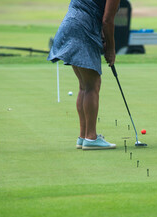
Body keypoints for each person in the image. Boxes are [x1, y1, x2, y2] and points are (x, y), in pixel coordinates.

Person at [47, 0, 120, 150]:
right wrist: (111, 49)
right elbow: (107, 20)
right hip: (82, 30)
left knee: (84, 85)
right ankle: (91, 138)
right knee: (92, 85)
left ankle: (83, 136)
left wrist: (103, 37)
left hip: (71, 27)